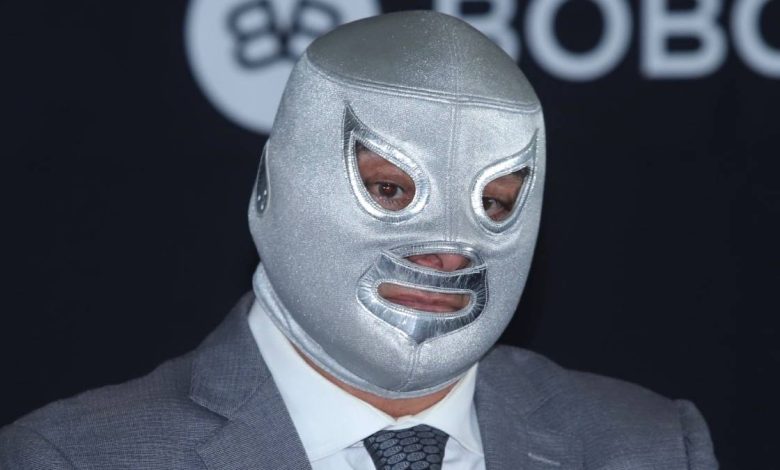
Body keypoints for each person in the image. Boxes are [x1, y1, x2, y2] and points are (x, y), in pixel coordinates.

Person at [0, 11, 717, 469]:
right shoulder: (73, 457)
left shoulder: (651, 447)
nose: (448, 252)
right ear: (272, 187)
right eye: (391, 190)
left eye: (495, 203)